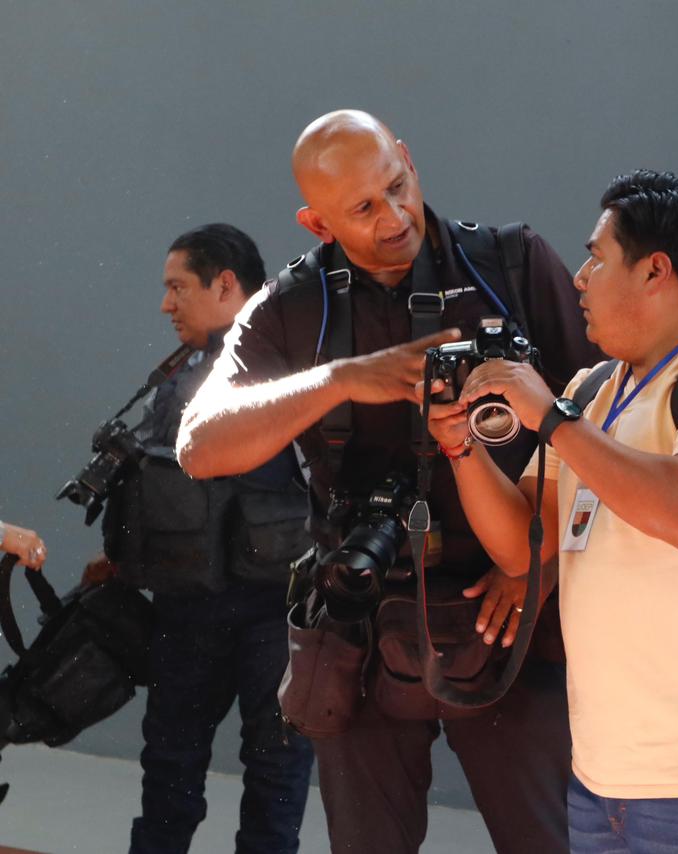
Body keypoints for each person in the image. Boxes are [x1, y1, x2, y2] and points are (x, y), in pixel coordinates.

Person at [177, 109, 598, 853]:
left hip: (505, 611)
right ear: (317, 223)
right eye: (363, 209)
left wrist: (541, 565)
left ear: (406, 155)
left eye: (397, 185)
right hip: (362, 617)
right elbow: (199, 446)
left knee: (550, 841)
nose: (395, 217)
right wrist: (340, 379)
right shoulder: (293, 306)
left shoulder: (510, 264)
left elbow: (608, 415)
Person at [428, 169, 678, 853]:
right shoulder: (594, 389)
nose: (579, 279)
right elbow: (522, 546)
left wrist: (552, 420)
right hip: (600, 776)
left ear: (655, 270)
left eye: (597, 258)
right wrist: (461, 447)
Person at [91, 224, 315, 853]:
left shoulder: (299, 372)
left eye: (178, 287)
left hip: (275, 610)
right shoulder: (182, 377)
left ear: (225, 285)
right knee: (171, 770)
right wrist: (119, 555)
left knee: (274, 771)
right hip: (188, 606)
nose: (167, 304)